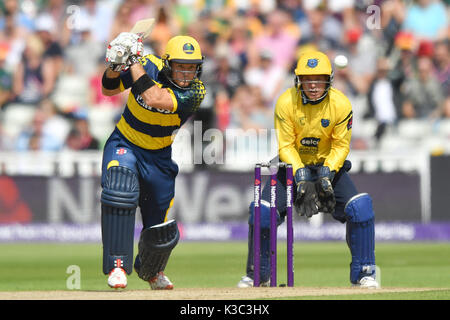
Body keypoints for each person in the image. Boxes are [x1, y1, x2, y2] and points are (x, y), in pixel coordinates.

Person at [237, 50, 379, 289]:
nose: (313, 85)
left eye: (319, 78)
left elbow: (341, 145)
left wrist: (328, 171)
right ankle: (257, 275)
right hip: (291, 166)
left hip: (328, 168)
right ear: (298, 80)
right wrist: (299, 172)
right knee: (262, 212)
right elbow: (285, 145)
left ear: (329, 80)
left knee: (360, 208)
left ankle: (364, 273)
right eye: (307, 78)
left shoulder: (341, 103)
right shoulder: (285, 101)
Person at [101, 33, 205, 289]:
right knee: (119, 189)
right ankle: (117, 266)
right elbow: (108, 88)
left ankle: (152, 271)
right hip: (125, 142)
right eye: (181, 66)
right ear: (168, 63)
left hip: (159, 156)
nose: (186, 73)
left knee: (158, 222)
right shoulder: (148, 64)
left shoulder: (196, 91)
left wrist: (132, 57)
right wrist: (115, 65)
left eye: (192, 67)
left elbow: (154, 98)